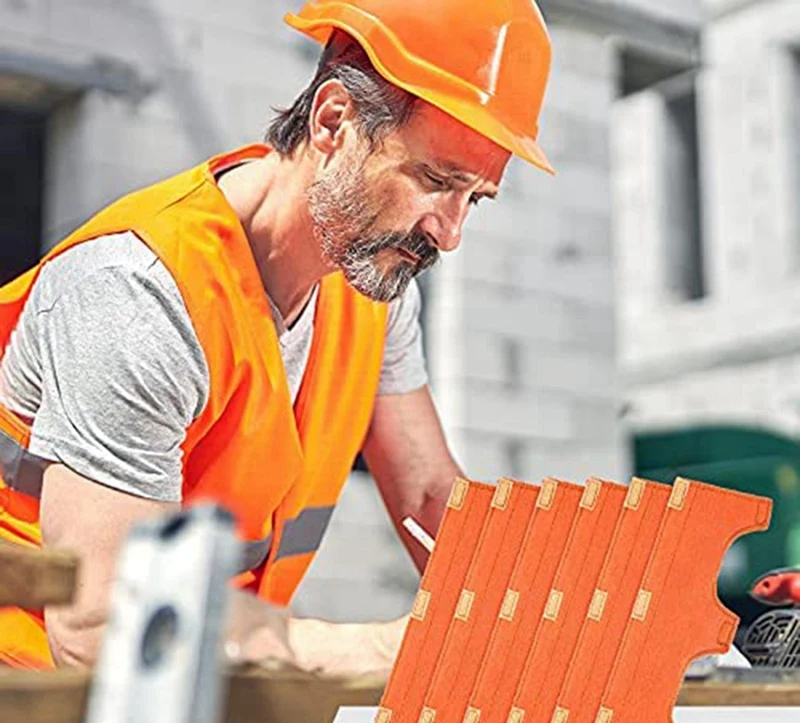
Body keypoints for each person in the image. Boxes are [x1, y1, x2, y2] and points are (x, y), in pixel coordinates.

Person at [0, 0, 554, 671]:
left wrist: (553, 614)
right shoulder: (140, 293)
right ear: (333, 122)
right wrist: (389, 648)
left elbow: (430, 498)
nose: (450, 232)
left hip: (184, 689)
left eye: (476, 199)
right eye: (435, 181)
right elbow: (97, 626)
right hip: (28, 700)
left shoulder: (369, 283)